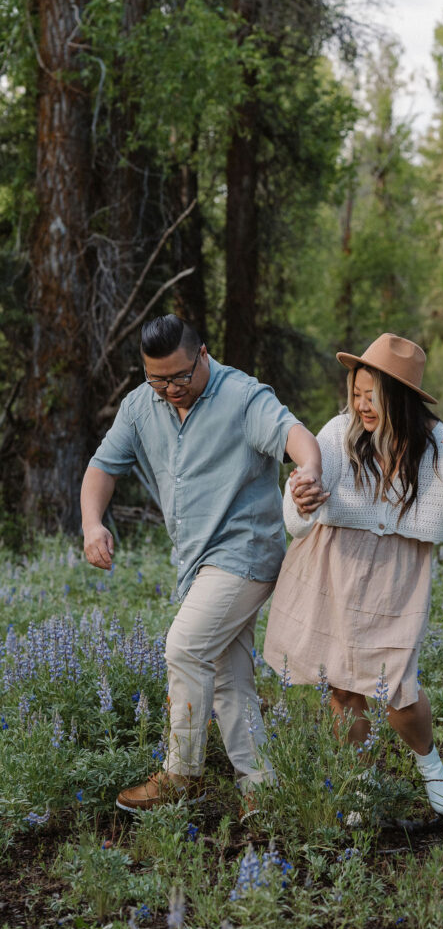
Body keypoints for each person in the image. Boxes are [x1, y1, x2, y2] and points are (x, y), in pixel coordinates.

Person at [81, 314, 325, 812]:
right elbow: (101, 468)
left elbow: (294, 435)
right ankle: (262, 786)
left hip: (247, 552)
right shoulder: (140, 405)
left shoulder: (242, 396)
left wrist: (310, 470)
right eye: (157, 378)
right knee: (229, 673)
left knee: (185, 647)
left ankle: (182, 775)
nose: (170, 388)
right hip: (196, 561)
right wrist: (92, 523)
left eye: (179, 376)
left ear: (204, 355)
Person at [263, 332, 443, 816]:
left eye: (373, 396)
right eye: (357, 393)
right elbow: (296, 515)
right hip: (335, 563)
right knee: (343, 684)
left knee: (397, 688)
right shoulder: (337, 432)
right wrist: (300, 497)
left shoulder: (435, 442)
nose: (362, 405)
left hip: (396, 573)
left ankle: (430, 763)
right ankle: (361, 781)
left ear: (399, 397)